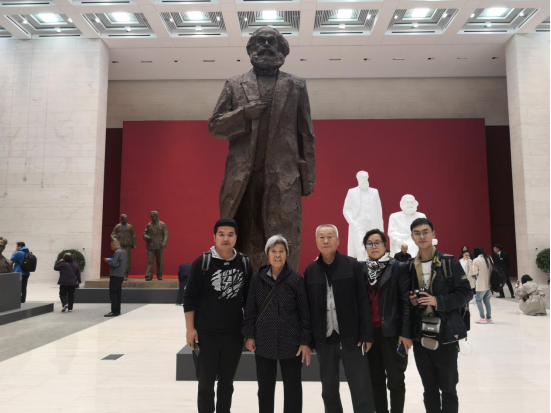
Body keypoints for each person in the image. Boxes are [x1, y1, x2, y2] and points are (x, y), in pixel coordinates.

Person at [208, 27, 316, 273]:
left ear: (283, 50)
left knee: (285, 238)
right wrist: (244, 114)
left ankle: (286, 292)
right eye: (260, 41)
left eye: (272, 41)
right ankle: (246, 291)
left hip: (284, 177)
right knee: (246, 238)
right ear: (250, 50)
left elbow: (306, 133)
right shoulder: (234, 84)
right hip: (243, 179)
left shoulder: (296, 85)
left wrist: (308, 179)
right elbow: (215, 126)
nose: (266, 45)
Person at [304, 224, 375, 413]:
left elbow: (362, 301)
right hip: (325, 340)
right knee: (329, 391)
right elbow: (308, 309)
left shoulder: (352, 266)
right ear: (316, 241)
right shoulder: (311, 270)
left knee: (361, 388)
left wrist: (366, 334)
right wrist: (310, 340)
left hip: (352, 338)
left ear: (338, 240)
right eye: (322, 237)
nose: (326, 241)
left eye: (330, 236)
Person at [184, 219, 253, 413]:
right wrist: (190, 329)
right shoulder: (202, 263)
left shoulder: (244, 263)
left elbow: (249, 301)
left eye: (230, 234)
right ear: (214, 237)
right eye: (221, 234)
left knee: (227, 384)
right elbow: (189, 298)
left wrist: (249, 333)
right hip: (205, 335)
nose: (226, 238)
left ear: (236, 238)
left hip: (233, 335)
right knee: (205, 385)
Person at [407, 218, 472, 413]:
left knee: (448, 388)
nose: (422, 236)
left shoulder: (449, 262)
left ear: (433, 234)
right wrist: (412, 302)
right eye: (417, 233)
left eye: (425, 232)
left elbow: (466, 293)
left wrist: (438, 301)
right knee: (429, 389)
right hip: (421, 335)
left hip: (446, 335)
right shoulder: (410, 266)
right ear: (412, 237)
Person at [243, 235, 312, 413]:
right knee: (265, 388)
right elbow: (250, 310)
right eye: (273, 251)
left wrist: (305, 341)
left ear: (286, 254)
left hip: (291, 342)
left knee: (293, 388)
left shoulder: (296, 279)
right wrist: (249, 335)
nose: (278, 255)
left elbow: (304, 314)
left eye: (281, 251)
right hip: (264, 340)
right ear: (268, 254)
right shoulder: (257, 278)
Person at [361, 229, 412, 413]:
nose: (374, 246)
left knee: (396, 380)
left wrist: (405, 334)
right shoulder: (362, 269)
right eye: (369, 243)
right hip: (370, 335)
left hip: (393, 333)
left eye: (377, 242)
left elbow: (406, 303)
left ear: (385, 245)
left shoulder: (398, 267)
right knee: (375, 381)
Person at [103, 240, 128, 318]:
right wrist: (111, 259)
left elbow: (114, 264)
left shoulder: (117, 252)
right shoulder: (124, 251)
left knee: (113, 293)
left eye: (112, 246)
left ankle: (114, 311)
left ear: (115, 245)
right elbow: (119, 261)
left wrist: (107, 261)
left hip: (115, 274)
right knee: (118, 293)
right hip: (121, 274)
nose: (111, 248)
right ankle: (118, 310)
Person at [143, 211, 169, 281]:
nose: (151, 217)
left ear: (157, 216)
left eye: (152, 216)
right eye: (151, 216)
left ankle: (159, 275)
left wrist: (164, 242)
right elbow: (144, 233)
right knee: (150, 261)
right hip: (150, 245)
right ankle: (149, 275)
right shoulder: (149, 225)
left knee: (159, 261)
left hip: (159, 245)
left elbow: (166, 234)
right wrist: (146, 236)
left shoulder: (162, 224)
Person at [111, 214, 138, 281]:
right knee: (118, 259)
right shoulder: (117, 226)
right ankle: (118, 273)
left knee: (127, 260)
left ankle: (125, 274)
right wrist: (116, 241)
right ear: (121, 219)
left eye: (127, 218)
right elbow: (113, 235)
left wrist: (134, 243)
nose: (126, 219)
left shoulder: (130, 226)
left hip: (127, 245)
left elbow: (133, 235)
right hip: (119, 246)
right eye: (125, 218)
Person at [472, 247, 494, 324]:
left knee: (478, 300)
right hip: (490, 284)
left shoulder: (476, 260)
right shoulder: (489, 258)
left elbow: (475, 272)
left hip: (481, 284)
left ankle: (482, 318)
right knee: (487, 301)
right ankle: (489, 318)